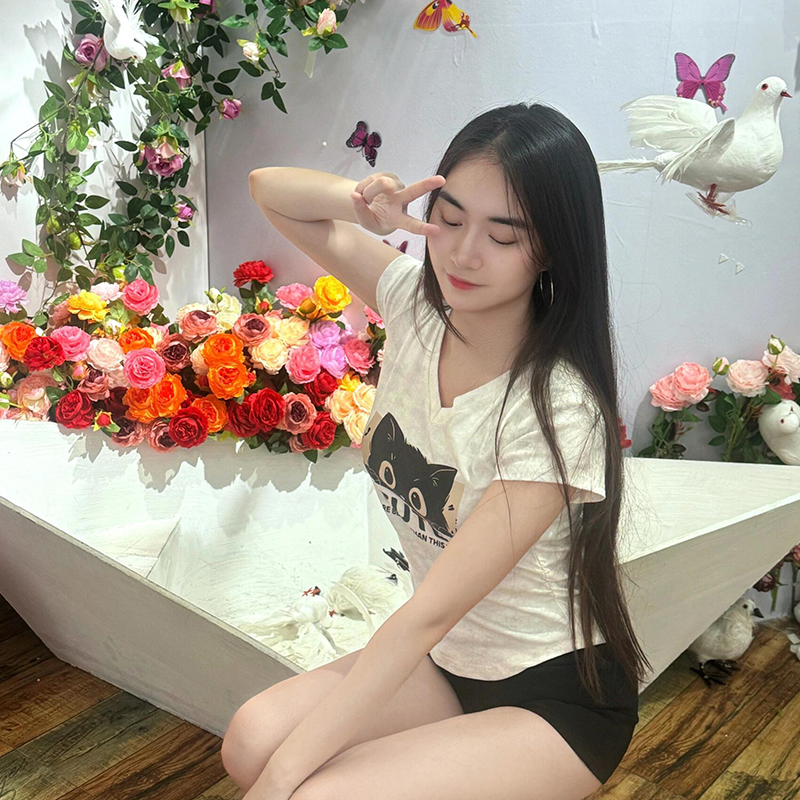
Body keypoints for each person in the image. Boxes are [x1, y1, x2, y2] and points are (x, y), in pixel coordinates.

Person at [221, 102, 652, 800]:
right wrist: (362, 202)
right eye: (450, 219)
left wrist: (281, 782)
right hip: (446, 663)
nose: (463, 253)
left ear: (552, 248)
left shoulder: (558, 410)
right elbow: (269, 189)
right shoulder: (414, 307)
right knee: (250, 740)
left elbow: (427, 614)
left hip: (550, 698)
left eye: (504, 235)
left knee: (305, 791)